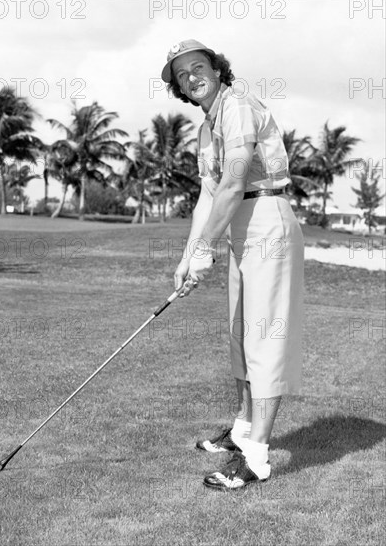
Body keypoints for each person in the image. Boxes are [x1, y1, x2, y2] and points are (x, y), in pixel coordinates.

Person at [161, 40, 304, 490]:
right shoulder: (206, 127)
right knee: (239, 331)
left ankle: (257, 457)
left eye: (198, 67)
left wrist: (206, 250)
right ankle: (243, 429)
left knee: (263, 336)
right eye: (182, 75)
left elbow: (237, 178)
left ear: (217, 68)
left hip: (267, 217)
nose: (192, 77)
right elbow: (209, 194)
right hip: (240, 224)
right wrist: (189, 256)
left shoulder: (237, 104)